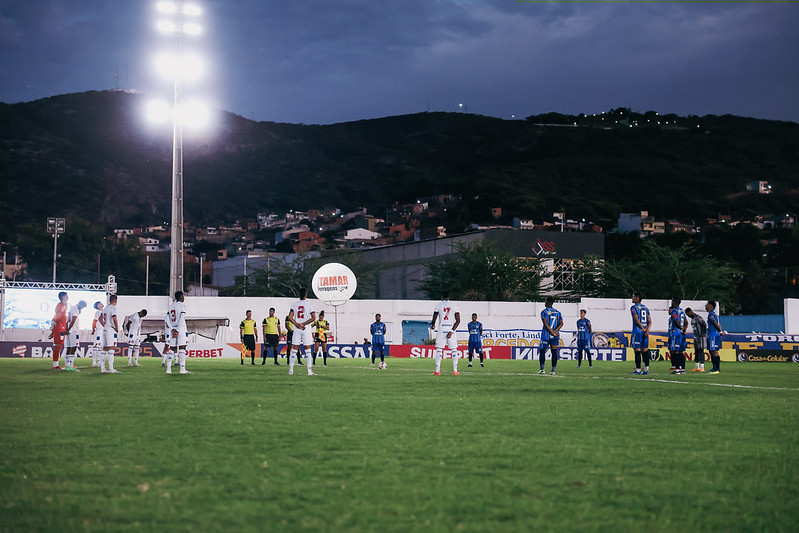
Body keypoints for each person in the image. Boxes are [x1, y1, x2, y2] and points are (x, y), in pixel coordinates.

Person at [430, 291, 461, 376]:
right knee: (454, 350)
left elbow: (434, 318)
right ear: (449, 297)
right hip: (451, 329)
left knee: (439, 350)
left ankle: (437, 371)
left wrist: (433, 325)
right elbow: (458, 321)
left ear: (442, 297)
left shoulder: (438, 305)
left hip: (441, 329)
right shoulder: (454, 306)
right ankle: (455, 371)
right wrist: (451, 331)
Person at [288, 287, 316, 376]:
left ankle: (291, 371)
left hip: (297, 328)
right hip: (306, 328)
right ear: (306, 295)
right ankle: (309, 371)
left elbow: (290, 317)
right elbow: (313, 318)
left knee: (294, 350)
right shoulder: (309, 304)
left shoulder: (294, 304)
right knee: (307, 350)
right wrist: (303, 324)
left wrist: (297, 324)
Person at [165, 291, 190, 374]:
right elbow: (181, 319)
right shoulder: (182, 306)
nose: (184, 297)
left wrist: (173, 329)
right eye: (183, 296)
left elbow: (167, 319)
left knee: (171, 348)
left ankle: (168, 369)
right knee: (182, 348)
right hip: (181, 329)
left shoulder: (171, 306)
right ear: (180, 297)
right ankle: (182, 369)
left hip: (172, 330)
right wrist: (178, 330)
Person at [539, 297, 563, 375]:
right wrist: (555, 332)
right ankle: (553, 370)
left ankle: (542, 369)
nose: (544, 303)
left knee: (542, 351)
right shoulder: (558, 312)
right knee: (554, 352)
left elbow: (545, 323)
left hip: (546, 335)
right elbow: (561, 323)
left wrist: (551, 331)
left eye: (545, 301)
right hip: (555, 336)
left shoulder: (544, 312)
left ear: (548, 302)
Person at [62, 299, 87, 372]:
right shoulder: (76, 309)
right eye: (83, 307)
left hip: (69, 331)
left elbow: (67, 320)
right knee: (73, 347)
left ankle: (67, 365)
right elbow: (73, 319)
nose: (82, 308)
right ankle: (71, 366)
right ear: (80, 304)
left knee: (69, 348)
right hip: (74, 331)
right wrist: (69, 329)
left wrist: (66, 329)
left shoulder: (71, 308)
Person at [630, 292, 652, 375]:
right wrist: (647, 330)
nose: (632, 298)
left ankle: (638, 370)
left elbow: (636, 320)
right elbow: (650, 322)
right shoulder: (645, 308)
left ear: (637, 298)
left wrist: (642, 329)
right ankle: (646, 370)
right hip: (645, 332)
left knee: (637, 350)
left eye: (633, 297)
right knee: (645, 350)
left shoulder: (633, 308)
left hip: (637, 331)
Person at [48, 291, 69, 369]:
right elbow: (58, 316)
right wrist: (53, 324)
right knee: (58, 345)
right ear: (63, 297)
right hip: (60, 328)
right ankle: (55, 365)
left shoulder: (62, 305)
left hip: (60, 328)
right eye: (66, 296)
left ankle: (56, 364)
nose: (68, 298)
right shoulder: (62, 306)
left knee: (59, 345)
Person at [101, 294, 121, 374]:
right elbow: (114, 318)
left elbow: (100, 317)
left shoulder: (105, 308)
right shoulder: (113, 308)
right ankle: (111, 369)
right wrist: (116, 328)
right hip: (110, 330)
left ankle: (102, 368)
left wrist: (104, 325)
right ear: (115, 300)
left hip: (105, 330)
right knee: (111, 349)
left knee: (105, 349)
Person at [668, 298, 688, 374]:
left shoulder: (674, 311)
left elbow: (676, 321)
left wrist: (680, 328)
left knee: (676, 351)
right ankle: (683, 369)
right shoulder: (682, 311)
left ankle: (677, 370)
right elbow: (686, 322)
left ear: (674, 302)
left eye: (672, 301)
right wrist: (684, 329)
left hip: (676, 333)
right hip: (682, 333)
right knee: (680, 352)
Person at [685, 307, 707, 372]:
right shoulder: (692, 319)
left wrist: (702, 333)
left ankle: (702, 367)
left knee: (701, 350)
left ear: (690, 312)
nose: (688, 316)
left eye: (688, 314)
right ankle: (697, 366)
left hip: (701, 337)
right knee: (696, 351)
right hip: (696, 337)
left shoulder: (698, 318)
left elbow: (704, 324)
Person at [706, 301, 724, 374]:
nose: (705, 306)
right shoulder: (715, 315)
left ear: (710, 306)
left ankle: (717, 369)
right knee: (711, 350)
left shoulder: (711, 314)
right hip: (712, 334)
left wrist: (719, 331)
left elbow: (715, 323)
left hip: (713, 334)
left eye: (707, 305)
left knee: (714, 351)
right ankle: (714, 367)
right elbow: (719, 324)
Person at [90, 301, 104, 367]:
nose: (101, 304)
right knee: (96, 346)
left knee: (100, 347)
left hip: (102, 331)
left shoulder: (103, 312)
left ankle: (99, 361)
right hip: (98, 331)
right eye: (100, 304)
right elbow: (94, 321)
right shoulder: (98, 312)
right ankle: (93, 362)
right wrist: (93, 329)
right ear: (97, 306)